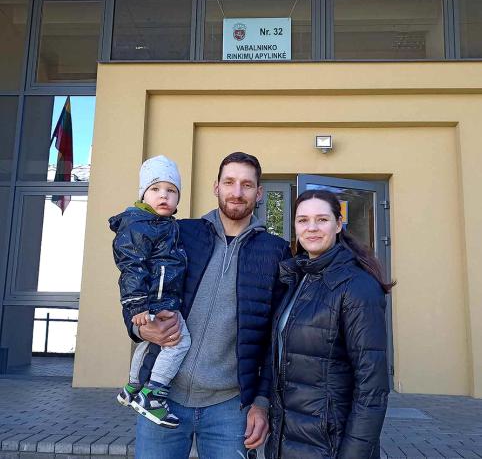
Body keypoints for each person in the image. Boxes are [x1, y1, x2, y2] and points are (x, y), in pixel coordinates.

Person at [125, 152, 292, 459]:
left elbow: (276, 337)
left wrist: (262, 402)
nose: (237, 192)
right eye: (229, 182)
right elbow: (137, 280)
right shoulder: (181, 232)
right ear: (216, 187)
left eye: (246, 185)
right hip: (161, 397)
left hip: (230, 406)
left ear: (259, 193)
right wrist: (139, 329)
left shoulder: (276, 251)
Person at [266, 189, 393, 459]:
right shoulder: (297, 278)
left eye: (322, 219)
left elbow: (372, 388)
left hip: (330, 446)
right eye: (303, 220)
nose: (311, 227)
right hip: (288, 441)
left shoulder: (357, 286)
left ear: (338, 224)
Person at [109, 155, 191, 428]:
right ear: (143, 194)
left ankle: (132, 388)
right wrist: (137, 305)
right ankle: (153, 394)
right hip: (157, 300)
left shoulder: (163, 224)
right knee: (178, 342)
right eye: (155, 189)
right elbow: (131, 265)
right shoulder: (140, 224)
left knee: (149, 344)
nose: (164, 195)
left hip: (161, 297)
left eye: (171, 190)